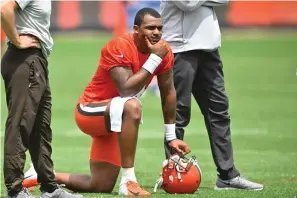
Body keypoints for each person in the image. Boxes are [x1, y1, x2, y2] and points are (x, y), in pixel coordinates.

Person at [23, 8, 191, 196]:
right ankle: (128, 181)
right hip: (89, 111)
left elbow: (168, 92)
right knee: (132, 105)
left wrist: (171, 137)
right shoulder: (120, 46)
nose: (157, 33)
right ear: (136, 29)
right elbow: (127, 89)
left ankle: (40, 174)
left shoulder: (163, 51)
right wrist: (154, 59)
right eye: (150, 28)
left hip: (116, 120)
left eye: (160, 28)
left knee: (100, 185)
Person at [160, 0, 264, 190]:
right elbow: (187, 4)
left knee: (219, 111)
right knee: (179, 113)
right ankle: (173, 174)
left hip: (209, 48)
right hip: (180, 47)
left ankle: (227, 175)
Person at [0, 1, 83, 198]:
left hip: (35, 60)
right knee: (21, 124)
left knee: (41, 126)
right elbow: (4, 10)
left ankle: (49, 186)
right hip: (25, 58)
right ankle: (15, 188)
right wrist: (16, 40)